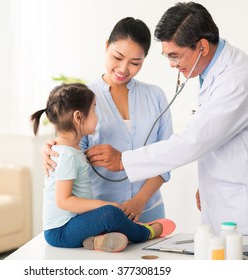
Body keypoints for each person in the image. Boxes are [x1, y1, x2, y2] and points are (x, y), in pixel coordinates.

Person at [85, 2, 248, 236]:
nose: (173, 65)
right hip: (230, 199)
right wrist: (209, 182)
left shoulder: (237, 81)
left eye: (175, 56)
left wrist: (124, 160)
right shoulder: (214, 71)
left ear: (202, 47)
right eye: (167, 56)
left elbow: (194, 141)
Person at [44, 17, 173, 223]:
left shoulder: (156, 97)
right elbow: (71, 149)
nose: (123, 69)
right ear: (106, 46)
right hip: (100, 214)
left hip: (150, 210)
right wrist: (53, 149)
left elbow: (166, 157)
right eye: (117, 57)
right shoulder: (84, 99)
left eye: (135, 63)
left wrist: (139, 200)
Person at [31, 83, 175, 252]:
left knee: (107, 216)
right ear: (78, 117)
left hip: (74, 224)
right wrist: (103, 205)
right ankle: (146, 232)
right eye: (94, 110)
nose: (97, 116)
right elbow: (63, 201)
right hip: (61, 230)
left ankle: (95, 242)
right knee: (109, 214)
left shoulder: (72, 151)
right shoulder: (67, 155)